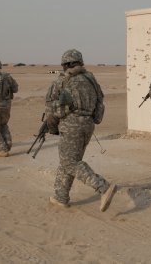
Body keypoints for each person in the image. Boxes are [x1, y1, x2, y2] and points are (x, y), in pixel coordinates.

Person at [44, 49, 117, 211]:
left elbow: (50, 109)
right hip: (88, 124)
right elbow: (100, 101)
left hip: (71, 125)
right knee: (69, 161)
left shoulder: (62, 81)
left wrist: (52, 127)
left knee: (70, 162)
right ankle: (60, 196)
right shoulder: (91, 79)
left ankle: (103, 187)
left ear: (66, 64)